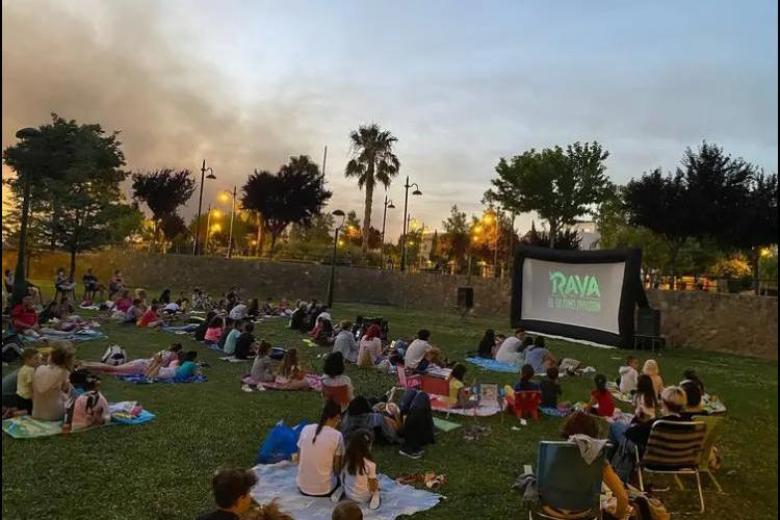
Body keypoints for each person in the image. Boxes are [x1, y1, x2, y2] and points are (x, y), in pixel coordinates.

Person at [556, 412, 629, 519]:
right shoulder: (597, 458)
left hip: (551, 506)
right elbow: (622, 496)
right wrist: (619, 516)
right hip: (582, 509)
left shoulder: (553, 453)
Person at [296, 400, 345, 497]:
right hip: (325, 489)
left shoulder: (306, 429)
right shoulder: (337, 435)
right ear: (337, 417)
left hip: (302, 487)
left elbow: (298, 459)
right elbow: (337, 468)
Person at [333, 429, 381, 510]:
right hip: (364, 498)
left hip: (348, 495)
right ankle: (376, 497)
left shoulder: (346, 458)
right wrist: (376, 488)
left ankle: (342, 488)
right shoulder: (370, 464)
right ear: (368, 446)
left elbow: (342, 473)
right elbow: (372, 486)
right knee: (376, 485)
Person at [32, 342, 75, 421]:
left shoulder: (39, 369)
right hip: (55, 414)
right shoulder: (64, 373)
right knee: (70, 396)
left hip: (36, 412)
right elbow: (65, 389)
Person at [397, 389, 435, 459]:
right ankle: (409, 448)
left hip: (406, 411)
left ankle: (412, 446)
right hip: (408, 415)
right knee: (422, 398)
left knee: (417, 394)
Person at [14, 348, 42, 415]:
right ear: (27, 359)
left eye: (39, 358)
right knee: (30, 411)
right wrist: (33, 397)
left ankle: (15, 412)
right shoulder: (30, 370)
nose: (39, 361)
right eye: (36, 358)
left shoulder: (23, 368)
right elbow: (31, 385)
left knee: (23, 408)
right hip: (26, 396)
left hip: (20, 394)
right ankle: (15, 413)